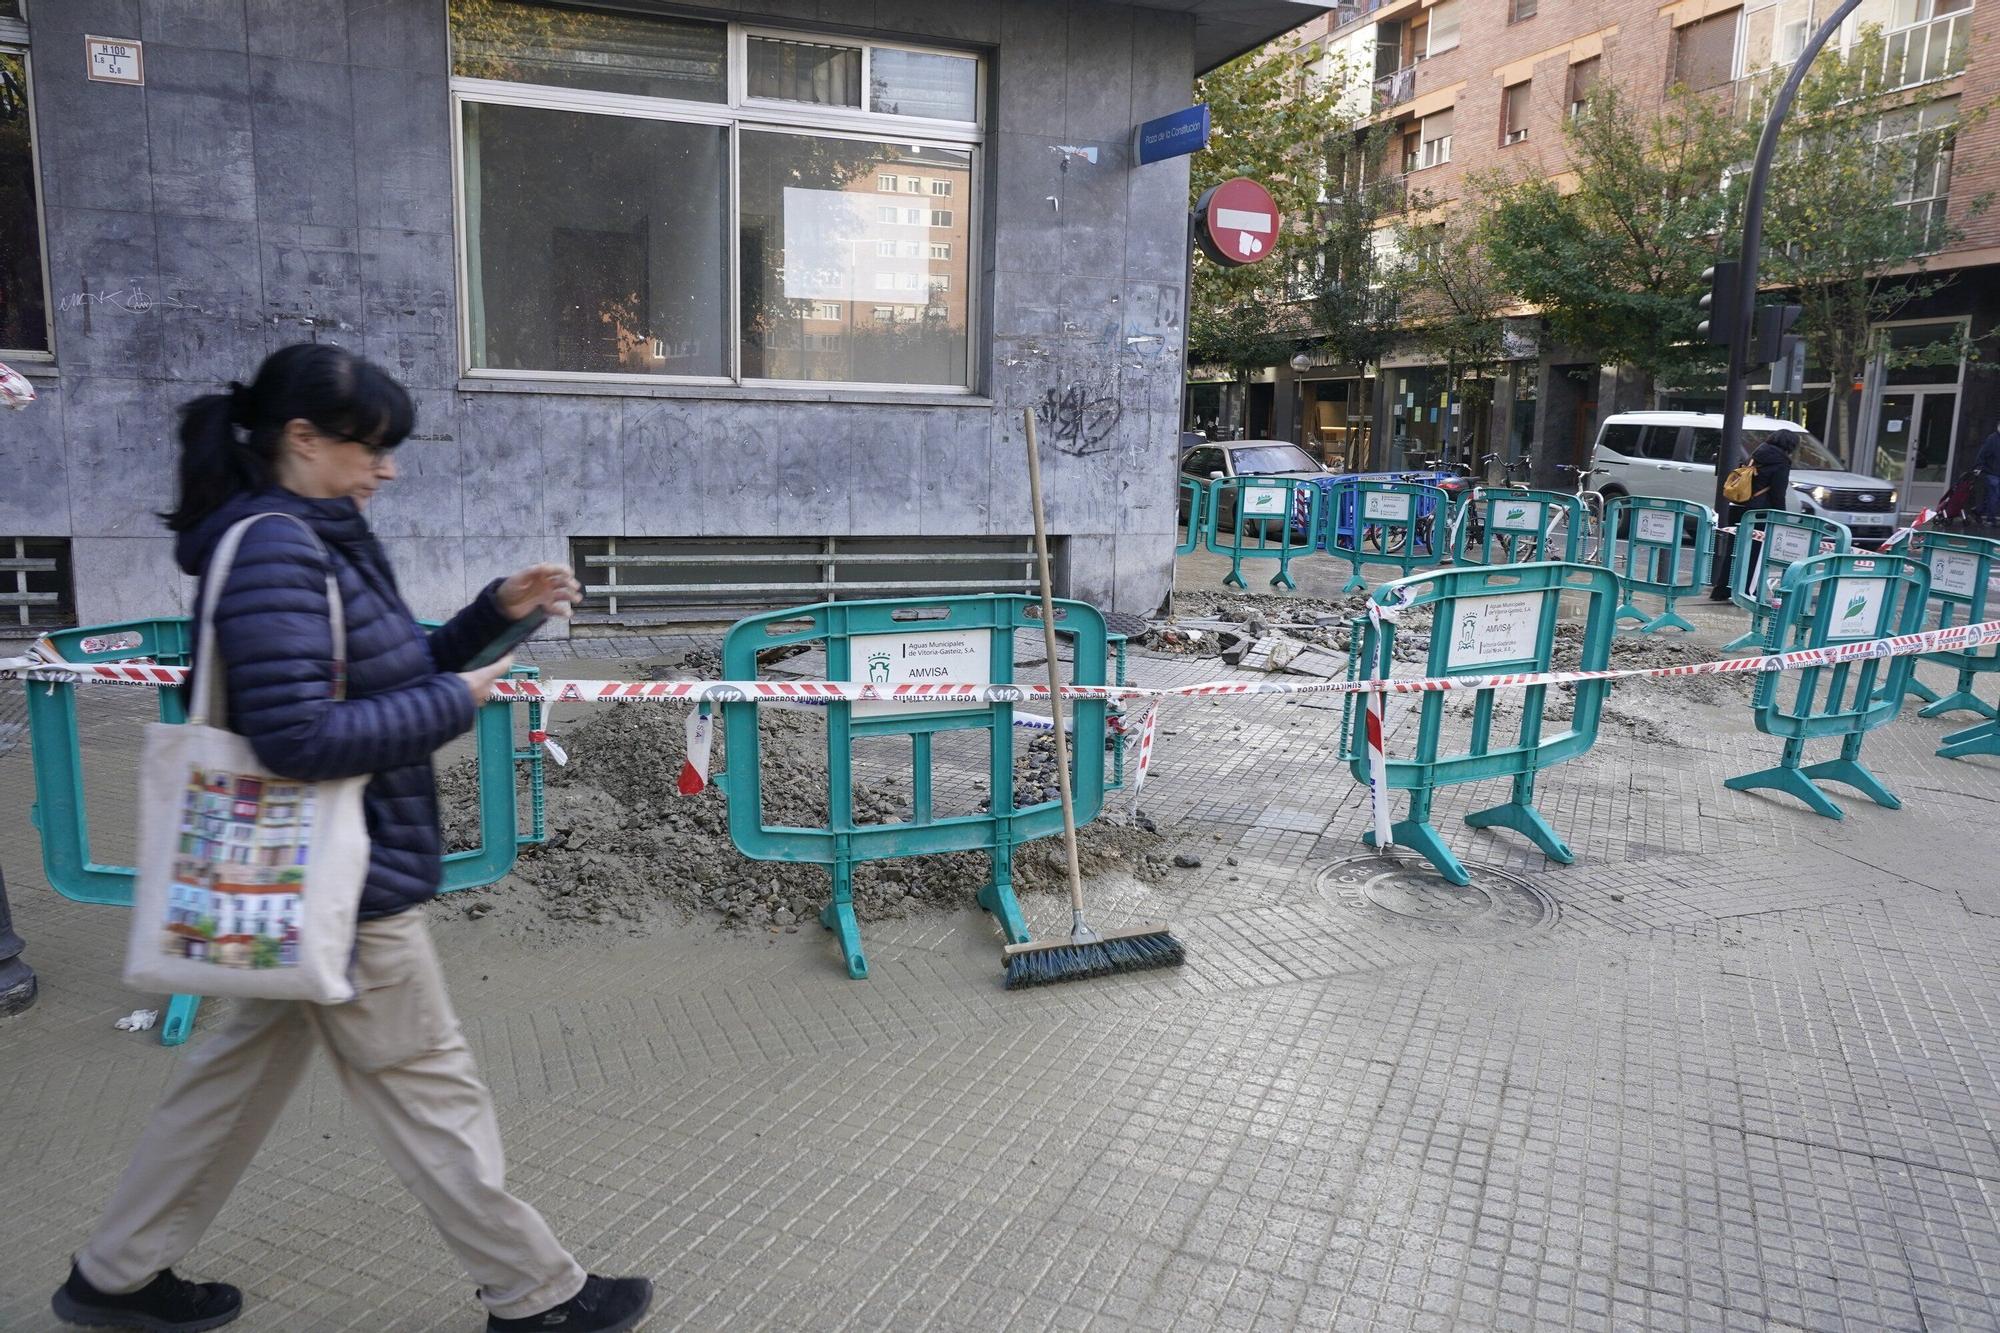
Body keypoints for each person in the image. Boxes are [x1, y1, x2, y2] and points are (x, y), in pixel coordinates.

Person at [52, 345, 653, 1333]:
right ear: (302, 438)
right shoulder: (279, 549)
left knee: (227, 1087)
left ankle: (113, 1276)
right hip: (341, 878)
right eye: (371, 448)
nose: (388, 468)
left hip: (297, 881)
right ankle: (536, 1293)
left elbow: (381, 673)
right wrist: (454, 701)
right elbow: (298, 737)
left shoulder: (309, 537)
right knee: (427, 1086)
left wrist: (491, 616)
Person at [1710, 430, 1800, 600]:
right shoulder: (1781, 462)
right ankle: (1747, 592)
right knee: (1754, 555)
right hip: (1758, 513)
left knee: (1733, 551)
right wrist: (1781, 516)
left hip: (1737, 506)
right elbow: (1778, 494)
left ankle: (1722, 590)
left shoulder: (1756, 454)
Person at [1977, 424, 2000, 524]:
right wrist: (1979, 466)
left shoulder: (1993, 438)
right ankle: (1990, 518)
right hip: (1992, 472)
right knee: (1994, 495)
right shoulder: (1992, 439)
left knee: (1993, 495)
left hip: (1994, 472)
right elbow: (1982, 453)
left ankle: (1980, 511)